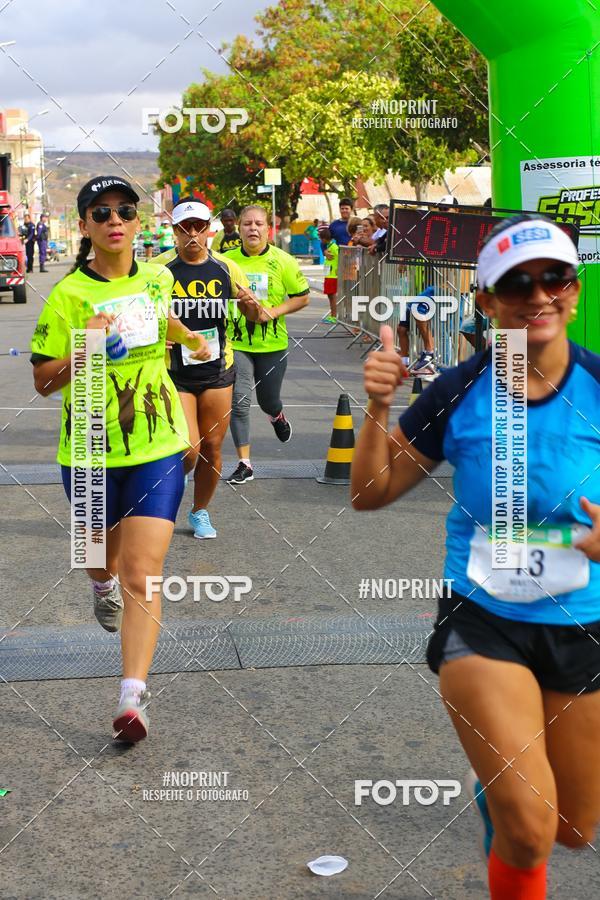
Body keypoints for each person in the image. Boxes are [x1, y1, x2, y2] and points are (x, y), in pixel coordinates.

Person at [352, 214, 600, 900]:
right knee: (530, 830)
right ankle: (510, 796)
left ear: (574, 292)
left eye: (554, 277)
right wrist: (378, 408)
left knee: (573, 829)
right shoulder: (459, 391)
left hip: (585, 621)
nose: (538, 294)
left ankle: (498, 790)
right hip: (484, 615)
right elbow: (370, 494)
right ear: (485, 302)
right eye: (515, 283)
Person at [30, 175, 210, 742]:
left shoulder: (158, 280)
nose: (114, 220)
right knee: (100, 563)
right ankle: (98, 588)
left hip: (155, 443)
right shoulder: (66, 296)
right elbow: (41, 381)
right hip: (86, 445)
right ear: (84, 225)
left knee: (142, 572)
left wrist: (196, 341)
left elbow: (166, 321)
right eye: (101, 212)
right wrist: (84, 348)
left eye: (124, 211)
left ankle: (133, 696)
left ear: (136, 223)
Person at [152, 198, 259, 538]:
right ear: (175, 232)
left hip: (217, 370)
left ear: (209, 230)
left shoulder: (227, 269)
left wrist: (252, 306)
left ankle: (200, 512)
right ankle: (166, 491)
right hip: (175, 372)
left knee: (212, 447)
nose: (193, 234)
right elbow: (139, 316)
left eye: (199, 227)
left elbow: (255, 316)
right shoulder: (158, 270)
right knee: (189, 448)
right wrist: (158, 337)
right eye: (185, 228)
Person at [226, 204, 310, 485]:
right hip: (236, 343)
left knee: (267, 400)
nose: (253, 228)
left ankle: (277, 415)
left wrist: (272, 312)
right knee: (239, 402)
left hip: (272, 344)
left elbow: (302, 297)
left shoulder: (283, 260)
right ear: (239, 229)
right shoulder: (225, 262)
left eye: (258, 224)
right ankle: (244, 463)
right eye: (247, 223)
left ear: (267, 229)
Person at [397, 284, 437, 379]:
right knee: (401, 329)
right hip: (419, 291)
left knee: (418, 312)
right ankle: (404, 363)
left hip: (436, 288)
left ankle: (429, 353)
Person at [319, 226, 339, 323]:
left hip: (333, 276)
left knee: (332, 296)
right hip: (328, 275)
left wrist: (338, 270)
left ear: (324, 239)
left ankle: (334, 316)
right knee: (330, 296)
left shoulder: (334, 247)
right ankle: (332, 315)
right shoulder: (329, 247)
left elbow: (340, 258)